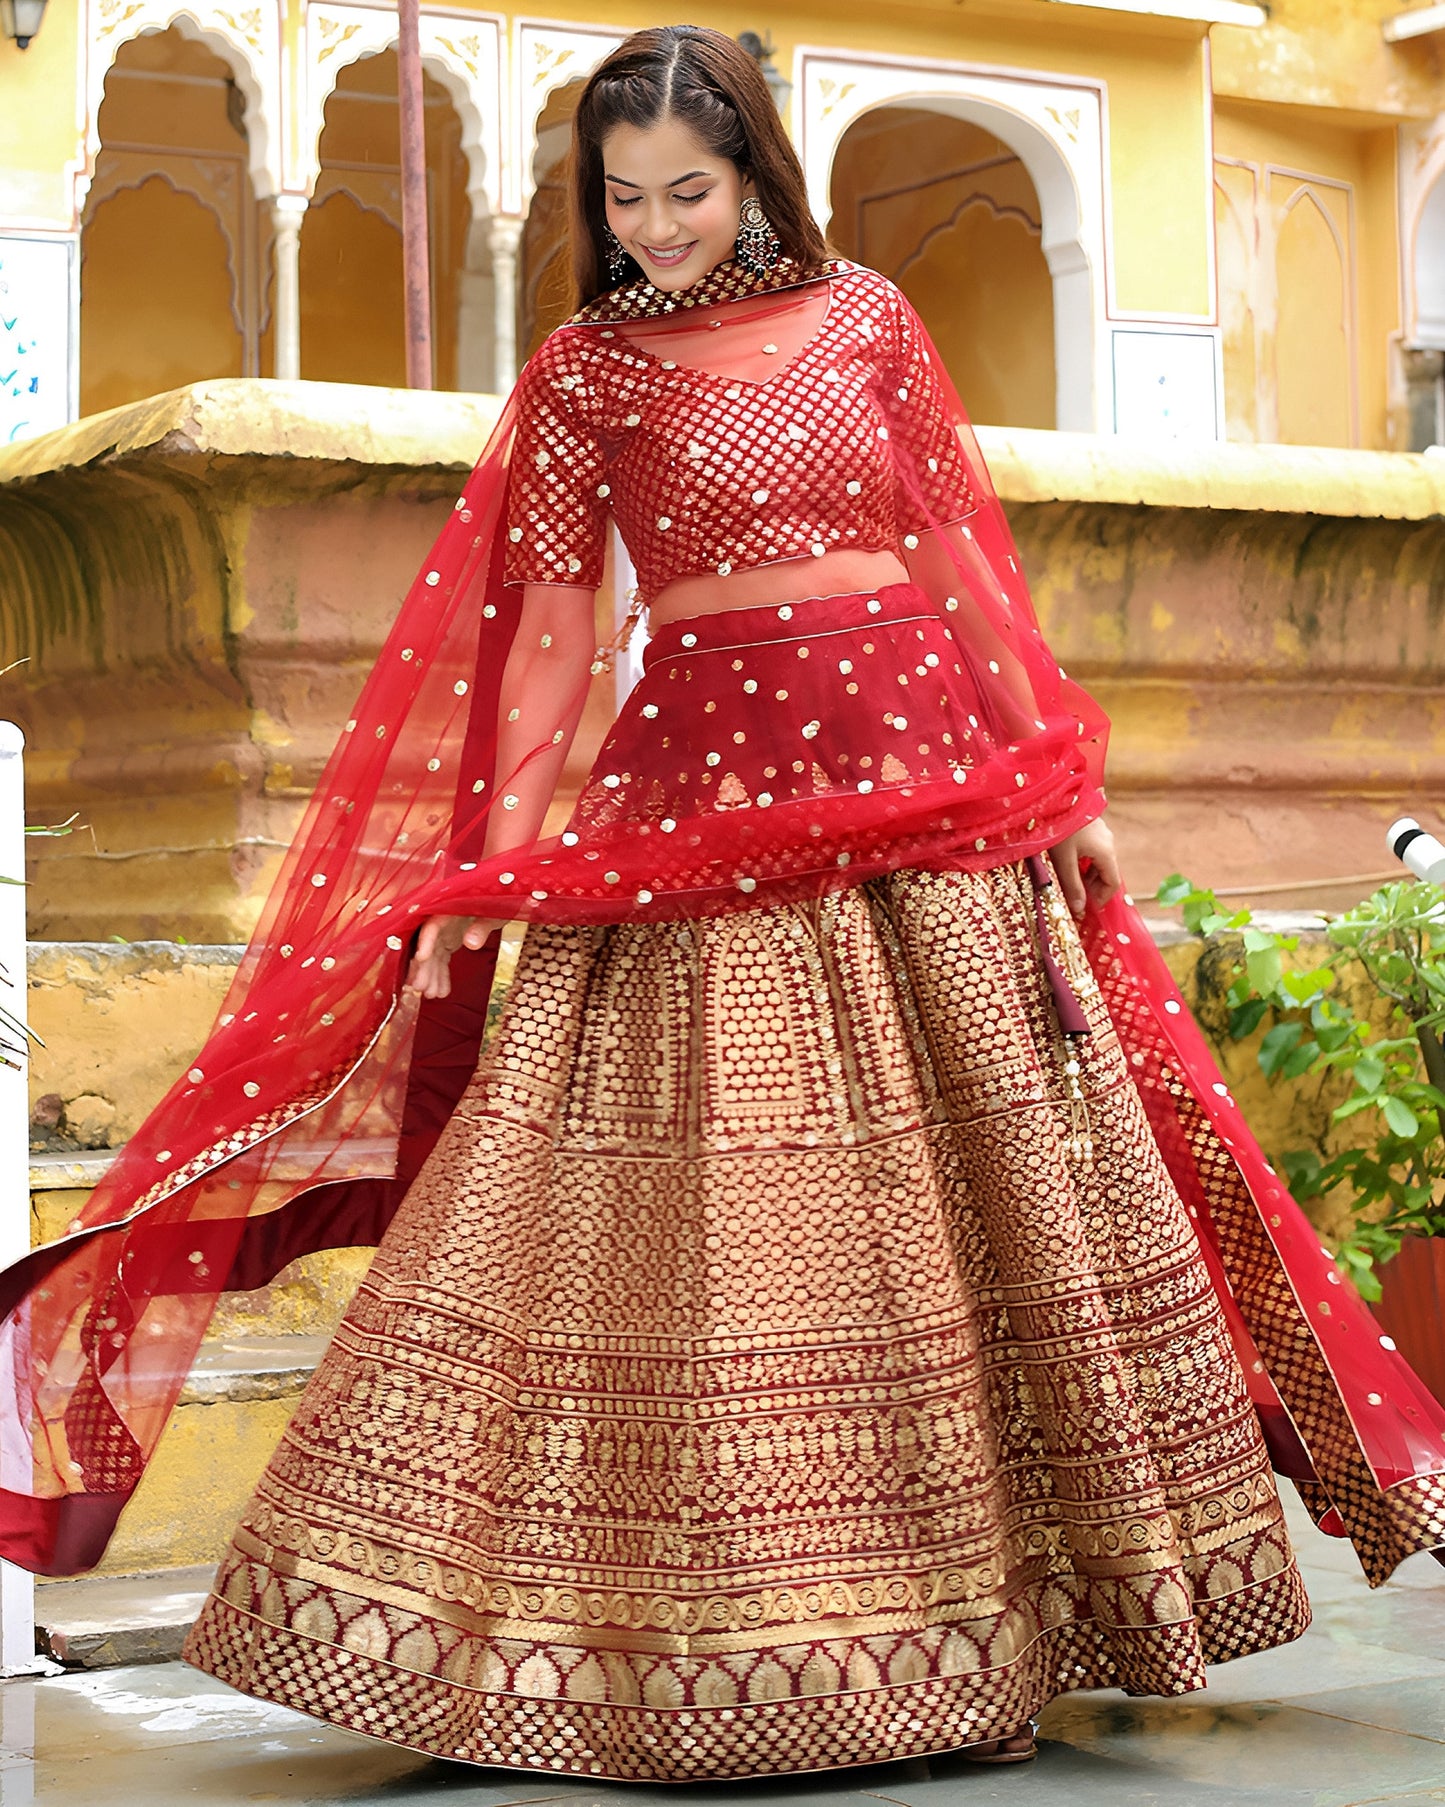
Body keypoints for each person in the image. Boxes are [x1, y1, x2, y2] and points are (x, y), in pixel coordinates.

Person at [0, 23, 1440, 1787]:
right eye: (626, 202)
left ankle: (1004, 1622)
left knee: (986, 1194)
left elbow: (954, 556)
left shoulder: (867, 322)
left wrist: (1059, 784)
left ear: (755, 169)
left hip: (926, 783)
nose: (660, 227)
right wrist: (487, 863)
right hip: (699, 800)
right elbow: (537, 640)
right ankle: (683, 1641)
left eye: (690, 190)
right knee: (723, 1212)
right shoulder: (588, 372)